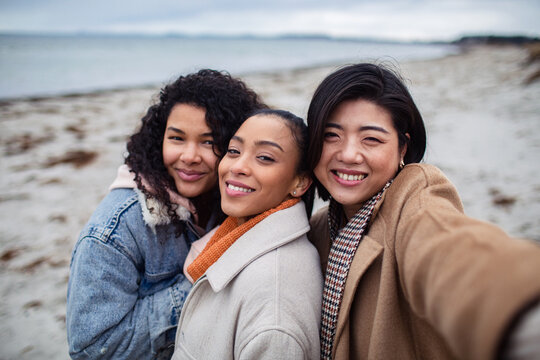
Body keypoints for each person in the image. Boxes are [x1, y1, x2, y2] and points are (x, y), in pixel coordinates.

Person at [306, 63, 540, 360]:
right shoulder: (318, 228)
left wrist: (519, 312)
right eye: (331, 135)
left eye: (372, 139)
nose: (349, 154)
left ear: (403, 148)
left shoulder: (414, 198)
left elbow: (451, 252)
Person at [66, 69, 266, 359]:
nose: (189, 156)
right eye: (177, 138)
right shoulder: (114, 231)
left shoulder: (228, 200)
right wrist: (204, 286)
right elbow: (93, 349)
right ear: (159, 139)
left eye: (209, 142)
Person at [172, 109, 323, 359]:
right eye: (234, 151)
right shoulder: (237, 238)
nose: (238, 167)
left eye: (264, 157)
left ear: (300, 183)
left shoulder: (275, 306)